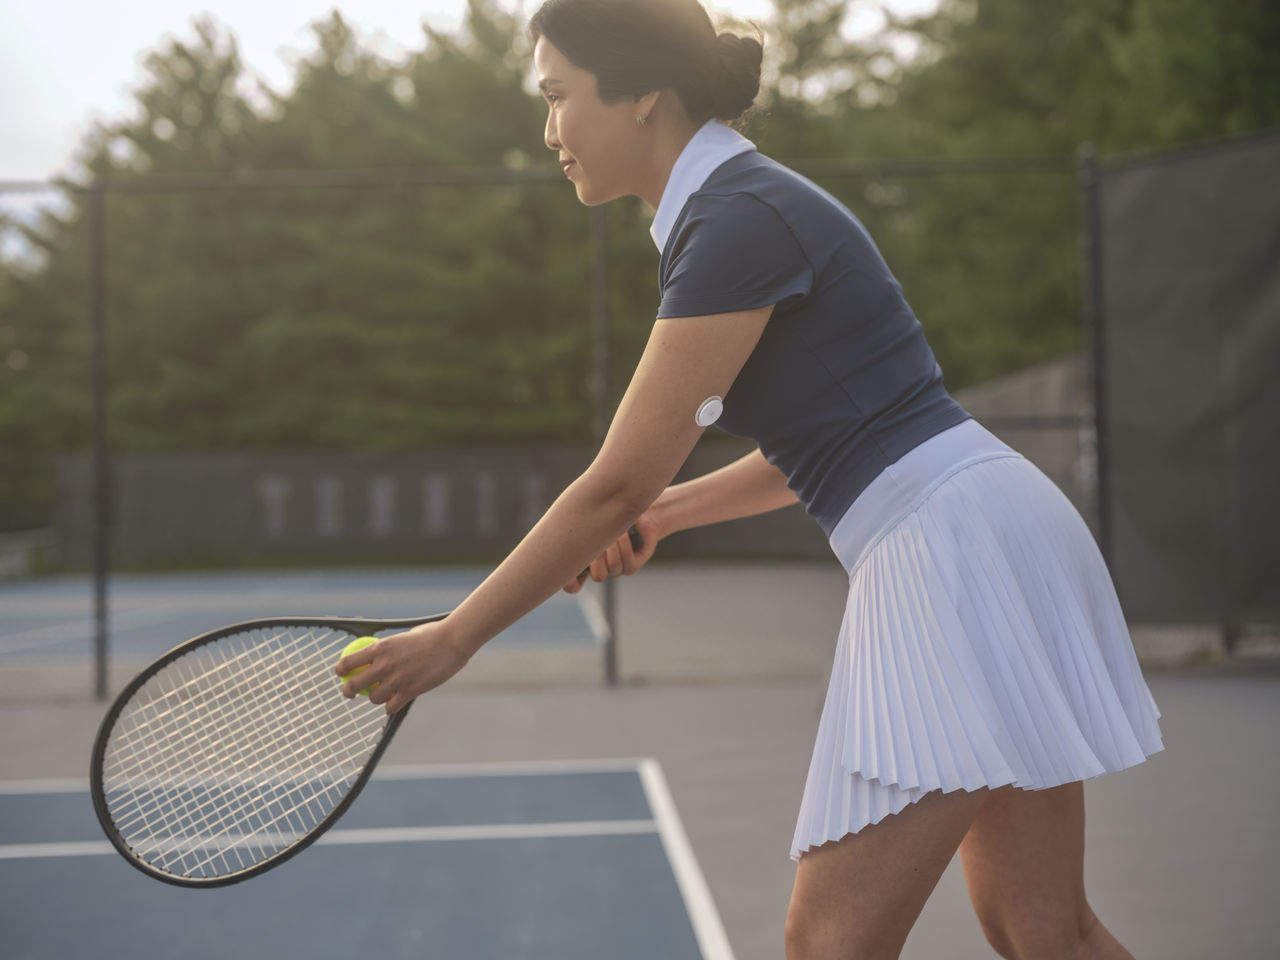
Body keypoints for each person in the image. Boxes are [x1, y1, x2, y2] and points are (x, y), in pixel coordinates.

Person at [335, 1, 1164, 956]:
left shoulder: (734, 218)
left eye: (558, 97)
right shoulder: (734, 206)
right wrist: (671, 512)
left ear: (644, 92)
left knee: (833, 945)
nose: (549, 129)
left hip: (952, 546)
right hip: (988, 525)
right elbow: (813, 441)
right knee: (1041, 931)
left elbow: (613, 482)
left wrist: (454, 639)